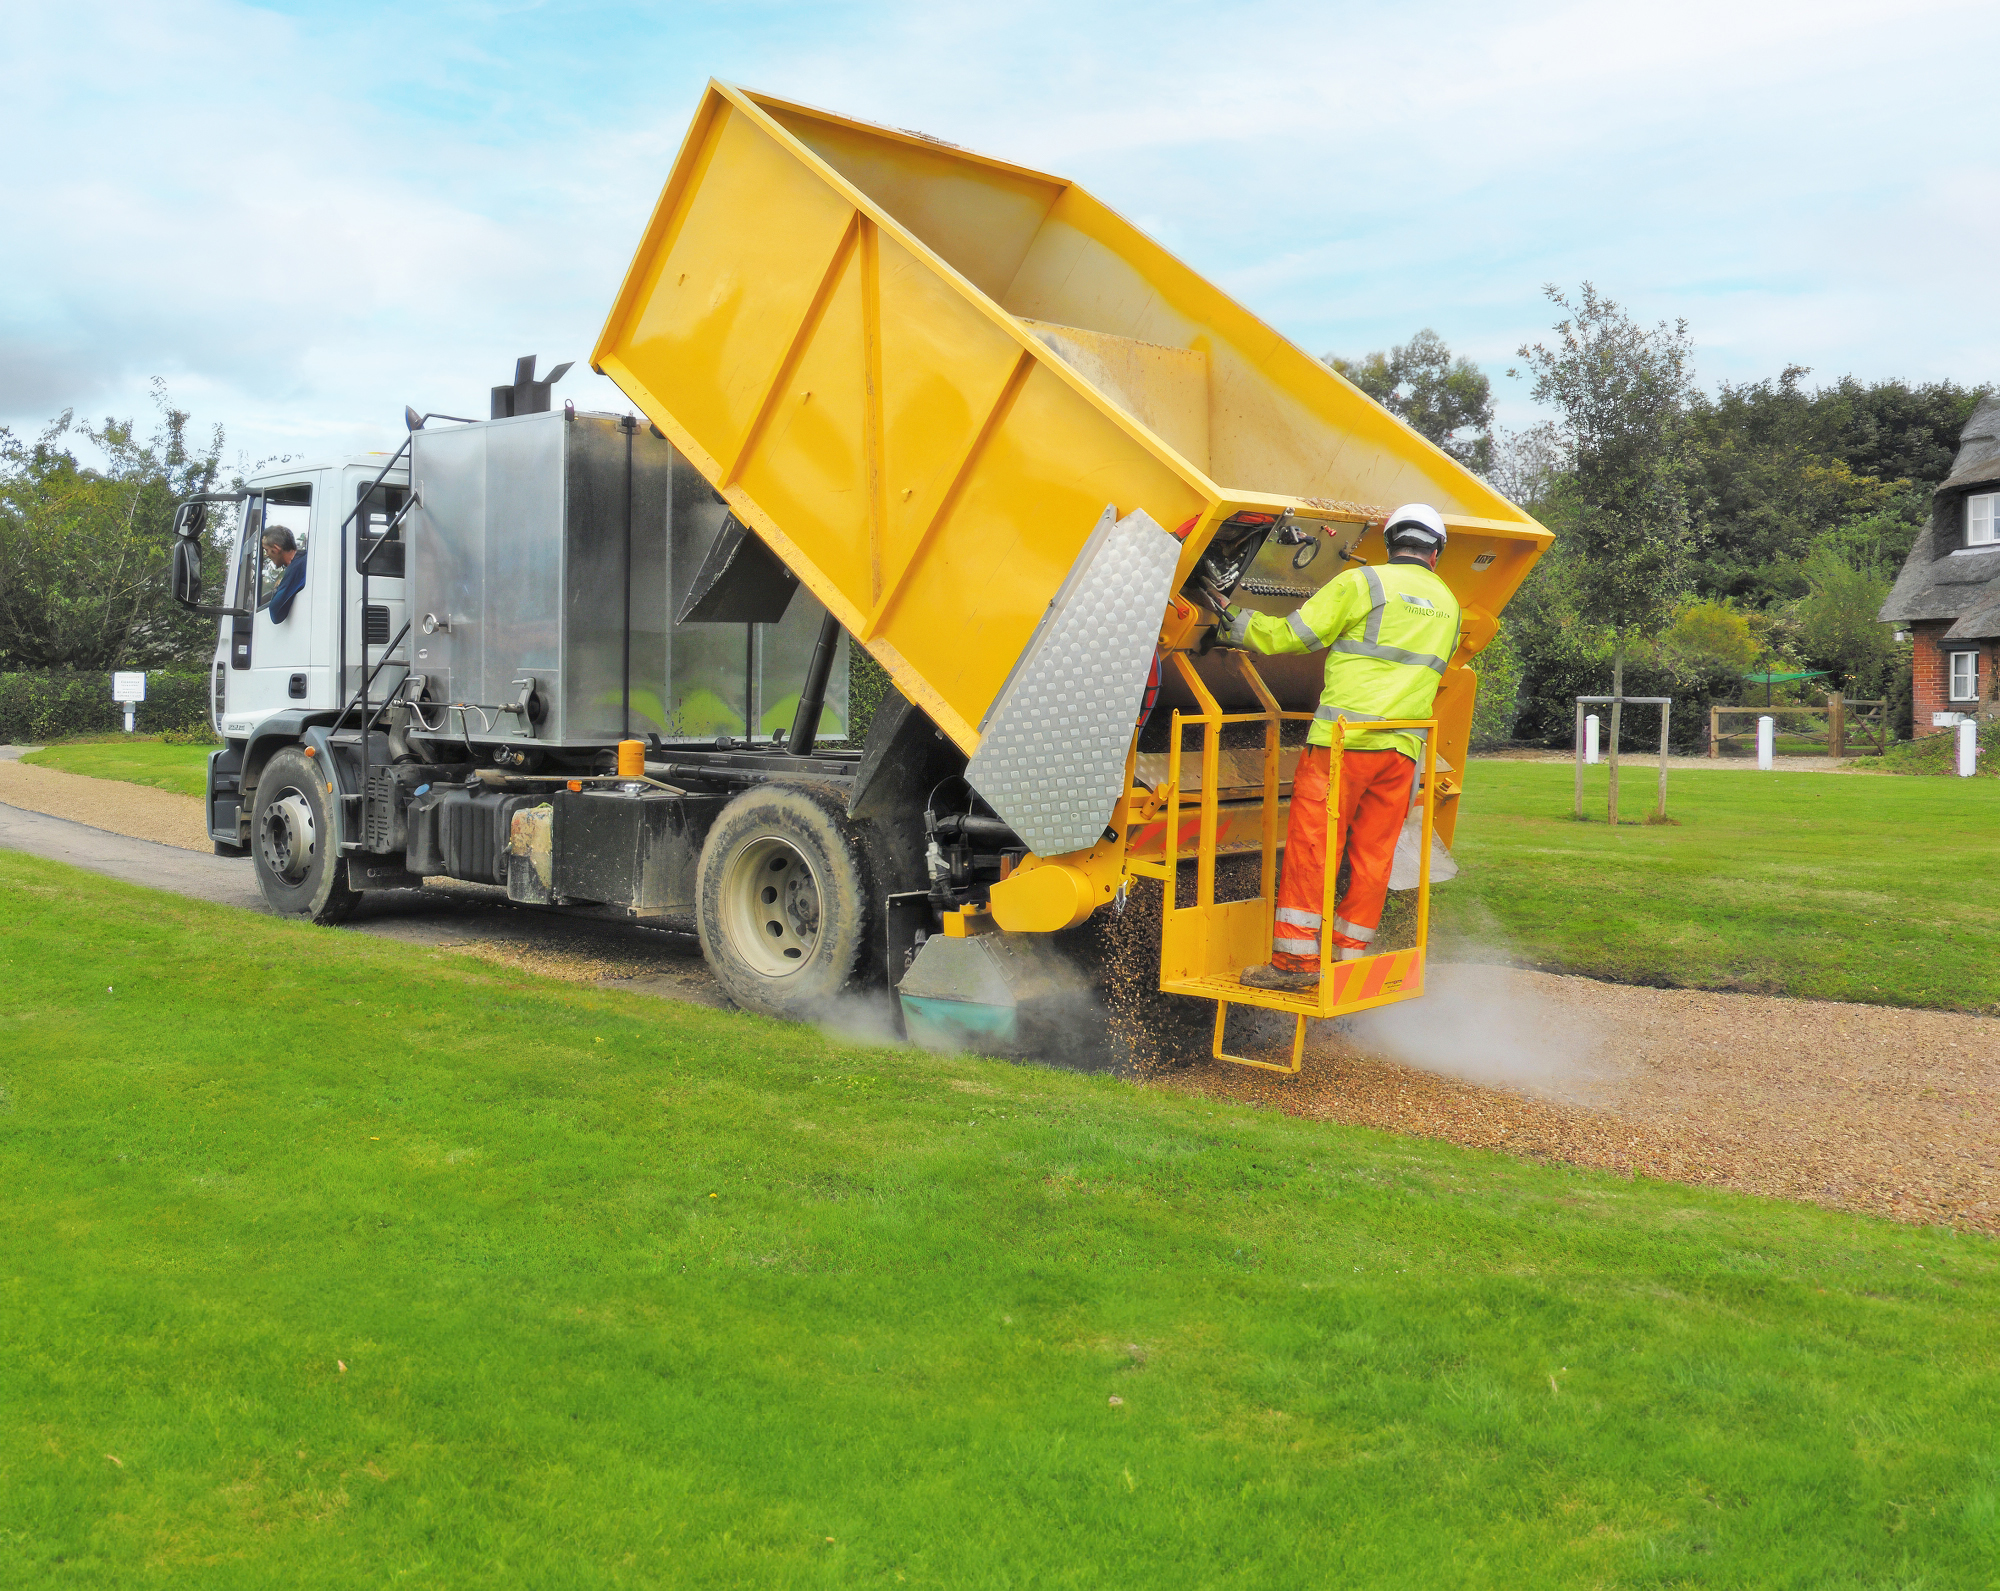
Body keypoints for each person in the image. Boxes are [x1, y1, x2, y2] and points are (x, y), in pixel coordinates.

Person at [1211, 503, 1461, 992]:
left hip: (1343, 745)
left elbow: (1293, 636)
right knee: (1374, 857)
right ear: (1436, 553)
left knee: (1314, 848)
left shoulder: (1363, 583)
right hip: (1403, 749)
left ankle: (1295, 964)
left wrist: (1232, 622)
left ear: (1389, 543)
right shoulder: (1449, 604)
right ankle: (1349, 961)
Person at [261, 525, 308, 623]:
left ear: (275, 549)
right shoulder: (306, 558)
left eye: (266, 550)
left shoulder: (296, 568)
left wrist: (276, 590)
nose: (267, 555)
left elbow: (275, 613)